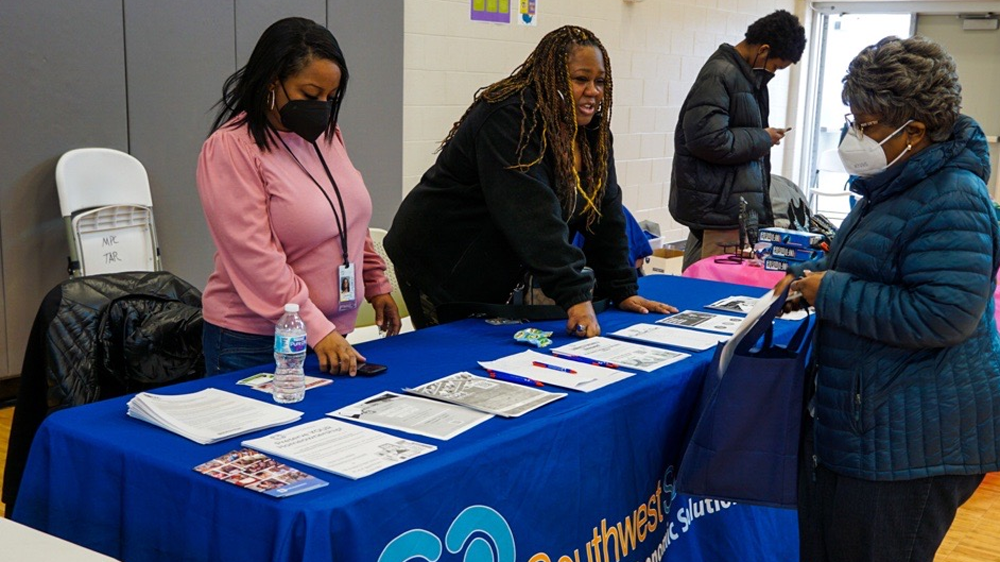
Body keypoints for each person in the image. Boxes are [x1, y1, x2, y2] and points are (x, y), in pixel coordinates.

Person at [780, 36, 1000, 562]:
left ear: (915, 131)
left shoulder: (953, 196)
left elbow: (942, 315)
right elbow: (874, 266)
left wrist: (828, 291)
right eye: (852, 120)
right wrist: (814, 275)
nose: (854, 136)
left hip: (913, 442)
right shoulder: (893, 183)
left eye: (867, 125)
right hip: (866, 423)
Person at [384, 26, 676, 337]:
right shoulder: (511, 118)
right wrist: (575, 296)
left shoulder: (592, 133)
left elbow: (605, 211)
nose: (593, 91)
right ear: (551, 77)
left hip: (487, 264)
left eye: (600, 81)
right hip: (438, 259)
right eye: (580, 79)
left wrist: (622, 288)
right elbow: (531, 213)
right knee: (450, 354)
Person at [197, 17, 400, 377]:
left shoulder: (328, 136)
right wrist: (314, 328)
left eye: (330, 97)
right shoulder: (231, 148)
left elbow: (349, 217)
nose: (321, 106)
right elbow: (255, 257)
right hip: (256, 340)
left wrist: (376, 283)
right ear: (272, 82)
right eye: (310, 95)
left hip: (330, 334)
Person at [669, 10, 807, 271]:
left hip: (728, 209)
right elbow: (708, 139)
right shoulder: (720, 74)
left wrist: (762, 137)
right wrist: (762, 138)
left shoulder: (743, 76)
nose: (773, 73)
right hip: (720, 211)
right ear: (763, 50)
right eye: (776, 66)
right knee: (711, 289)